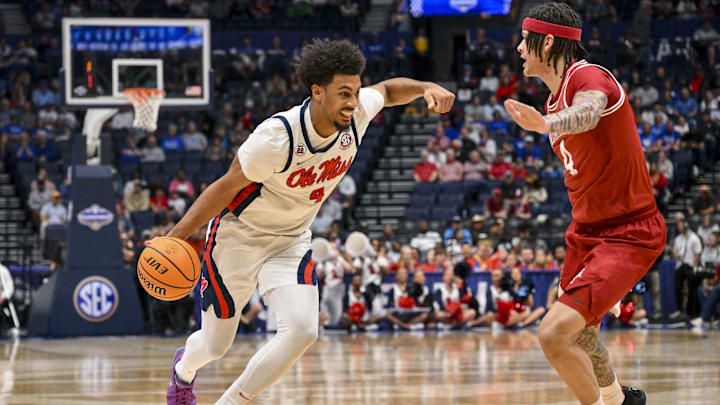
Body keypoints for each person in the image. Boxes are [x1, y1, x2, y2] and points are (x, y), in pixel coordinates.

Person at [155, 38, 455, 405]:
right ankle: (183, 372)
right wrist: (174, 237)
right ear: (317, 91)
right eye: (344, 93)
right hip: (240, 237)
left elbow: (389, 90)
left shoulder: (357, 114)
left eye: (356, 92)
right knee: (216, 344)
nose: (353, 102)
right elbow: (224, 188)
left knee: (301, 330)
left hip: (291, 239)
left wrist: (426, 87)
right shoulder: (276, 138)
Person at [503, 4, 665, 405]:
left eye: (526, 40)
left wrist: (547, 126)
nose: (519, 48)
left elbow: (589, 112)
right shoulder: (554, 100)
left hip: (627, 232)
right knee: (579, 331)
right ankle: (618, 399)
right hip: (586, 233)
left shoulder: (588, 76)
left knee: (552, 333)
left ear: (549, 41)